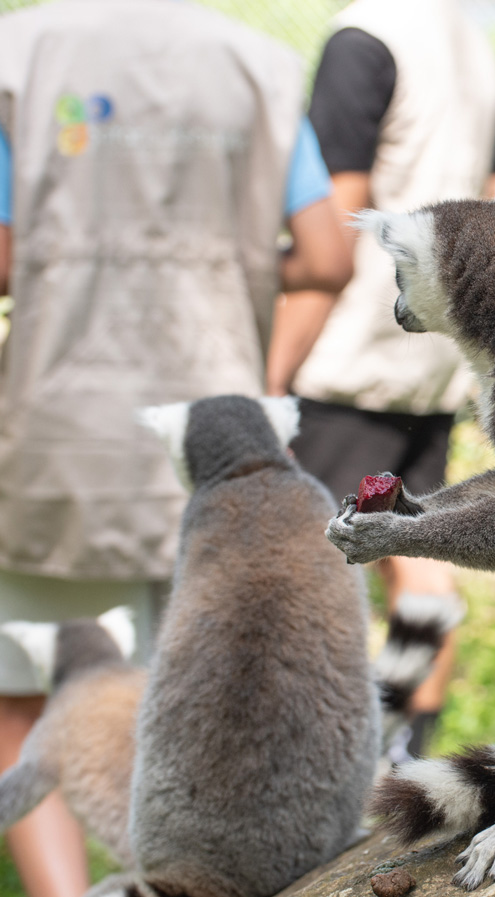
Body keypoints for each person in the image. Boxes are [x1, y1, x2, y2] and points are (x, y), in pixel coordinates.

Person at [0, 1, 352, 893]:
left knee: (26, 687)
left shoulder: (17, 54)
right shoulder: (259, 67)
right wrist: (262, 378)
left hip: (60, 432)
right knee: (197, 695)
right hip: (219, 435)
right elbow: (326, 255)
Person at [273, 0, 495, 759]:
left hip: (350, 351)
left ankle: (320, 755)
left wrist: (273, 369)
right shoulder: (473, 47)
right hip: (430, 347)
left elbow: (337, 214)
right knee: (414, 538)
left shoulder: (363, 39)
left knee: (311, 563)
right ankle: (407, 745)